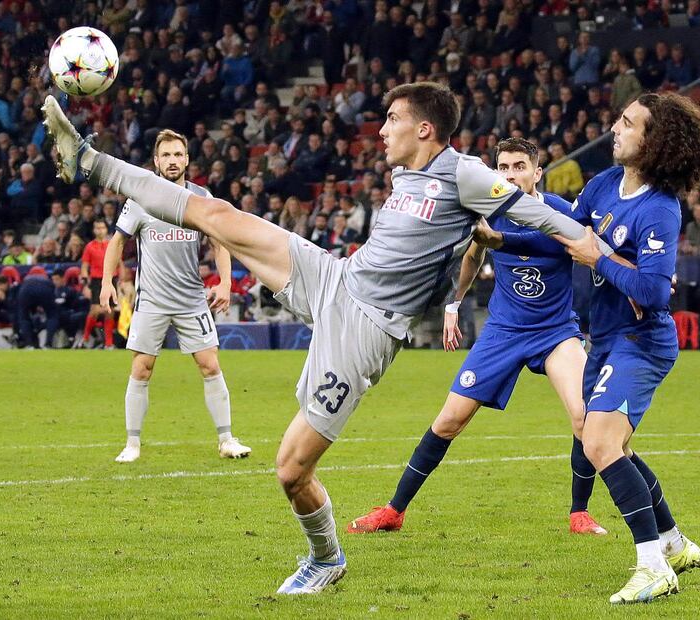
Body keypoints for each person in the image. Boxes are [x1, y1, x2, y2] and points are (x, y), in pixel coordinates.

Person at [43, 83, 616, 595]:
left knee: (291, 469)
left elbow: (541, 217)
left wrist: (598, 251)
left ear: (424, 128)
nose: (382, 127)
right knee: (214, 213)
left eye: (392, 118)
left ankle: (326, 558)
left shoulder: (464, 172)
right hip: (336, 277)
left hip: (365, 330)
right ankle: (89, 160)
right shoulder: (404, 175)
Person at [347, 137, 606, 536]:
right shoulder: (490, 210)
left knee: (583, 416)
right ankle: (393, 511)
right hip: (502, 332)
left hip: (555, 331)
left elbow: (568, 246)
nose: (510, 175)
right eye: (502, 168)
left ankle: (579, 513)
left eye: (519, 166)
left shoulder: (559, 212)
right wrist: (454, 304)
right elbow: (473, 255)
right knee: (449, 420)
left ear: (538, 173)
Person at [548, 93, 700, 603]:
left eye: (627, 123)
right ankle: (673, 542)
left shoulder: (661, 209)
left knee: (599, 445)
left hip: (641, 342)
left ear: (654, 141)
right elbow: (565, 236)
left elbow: (653, 289)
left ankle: (652, 566)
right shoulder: (602, 184)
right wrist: (504, 232)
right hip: (602, 338)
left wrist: (598, 256)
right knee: (609, 444)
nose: (614, 128)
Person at [99, 129, 251, 463]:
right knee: (142, 368)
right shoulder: (140, 198)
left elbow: (219, 240)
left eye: (178, 154)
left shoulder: (200, 197)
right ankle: (132, 444)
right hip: (151, 300)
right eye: (166, 155)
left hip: (191, 299)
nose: (172, 160)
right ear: (156, 161)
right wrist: (107, 281)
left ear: (187, 159)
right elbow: (117, 241)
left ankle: (226, 440)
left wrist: (225, 282)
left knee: (210, 364)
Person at [78, 218, 114, 349]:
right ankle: (85, 338)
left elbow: (119, 263)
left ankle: (109, 343)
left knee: (110, 311)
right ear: (94, 230)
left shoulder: (112, 244)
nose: (100, 230)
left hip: (111, 279)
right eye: (97, 228)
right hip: (96, 280)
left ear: (106, 229)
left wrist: (121, 282)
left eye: (102, 227)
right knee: (95, 310)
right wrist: (85, 282)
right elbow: (84, 266)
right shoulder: (89, 246)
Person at [17, 272, 59, 349]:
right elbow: (53, 294)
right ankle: (48, 344)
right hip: (45, 289)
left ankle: (29, 344)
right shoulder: (47, 281)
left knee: (24, 317)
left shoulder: (25, 282)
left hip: (26, 290)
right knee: (52, 316)